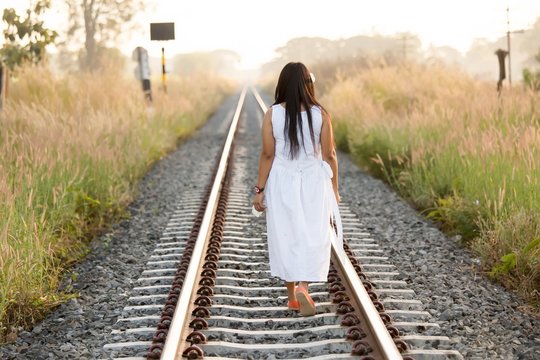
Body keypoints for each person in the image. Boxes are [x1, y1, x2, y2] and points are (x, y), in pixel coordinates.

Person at [252, 62, 342, 316]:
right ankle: (304, 285)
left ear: (281, 84)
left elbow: (268, 154)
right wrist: (334, 189)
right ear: (308, 84)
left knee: (286, 234)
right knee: (313, 234)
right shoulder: (320, 114)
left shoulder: (273, 114)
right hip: (313, 181)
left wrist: (259, 190)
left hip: (282, 181)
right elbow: (329, 154)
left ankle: (292, 297)